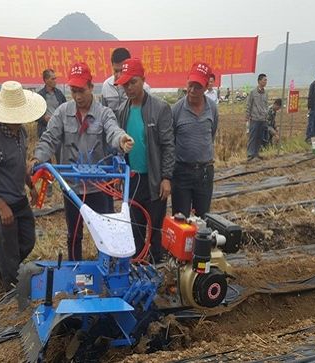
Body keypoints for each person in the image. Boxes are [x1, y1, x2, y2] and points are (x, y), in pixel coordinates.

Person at [28, 62, 134, 261]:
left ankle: (107, 267)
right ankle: (75, 269)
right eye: (73, 91)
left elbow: (113, 130)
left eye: (81, 91)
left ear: (91, 87)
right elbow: (49, 138)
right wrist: (38, 157)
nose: (77, 96)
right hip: (73, 187)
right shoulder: (62, 112)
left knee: (105, 233)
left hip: (99, 187)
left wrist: (121, 140)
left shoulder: (104, 113)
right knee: (74, 234)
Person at [0, 81, 45, 293]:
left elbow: (21, 163)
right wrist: (2, 206)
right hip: (1, 204)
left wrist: (30, 185)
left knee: (28, 241)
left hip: (19, 199)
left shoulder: (21, 133)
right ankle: (10, 293)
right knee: (10, 251)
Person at [114, 58, 175, 263]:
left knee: (155, 228)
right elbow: (119, 145)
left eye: (133, 82)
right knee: (135, 227)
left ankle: (157, 266)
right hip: (132, 180)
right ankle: (138, 266)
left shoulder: (160, 108)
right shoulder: (122, 110)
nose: (129, 88)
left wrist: (166, 177)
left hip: (154, 180)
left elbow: (168, 145)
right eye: (125, 84)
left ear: (143, 80)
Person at [171, 61, 218, 218]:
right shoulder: (176, 110)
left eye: (197, 87)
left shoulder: (212, 108)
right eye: (190, 85)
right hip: (181, 173)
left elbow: (212, 134)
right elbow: (170, 142)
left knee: (203, 220)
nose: (191, 90)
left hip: (205, 173)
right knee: (180, 220)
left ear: (206, 87)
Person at [36, 68, 66, 140]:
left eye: (55, 78)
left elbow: (65, 109)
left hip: (58, 128)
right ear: (46, 80)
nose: (55, 81)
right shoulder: (40, 96)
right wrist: (44, 118)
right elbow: (35, 114)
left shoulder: (59, 94)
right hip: (45, 129)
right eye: (53, 79)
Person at [245, 73, 269, 161]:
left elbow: (266, 105)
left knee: (259, 137)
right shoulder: (253, 92)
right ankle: (250, 155)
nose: (266, 82)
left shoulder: (266, 93)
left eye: (266, 80)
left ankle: (256, 153)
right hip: (254, 118)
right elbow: (248, 104)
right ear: (259, 81)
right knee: (253, 137)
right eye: (264, 80)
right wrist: (247, 116)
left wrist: (266, 115)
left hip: (262, 119)